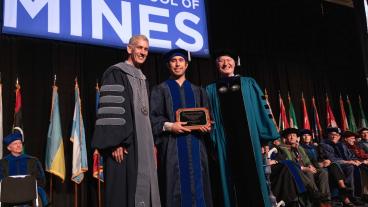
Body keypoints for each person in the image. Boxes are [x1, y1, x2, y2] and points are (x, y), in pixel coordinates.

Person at [91, 34, 161, 207]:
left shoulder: (143, 78)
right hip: (123, 146)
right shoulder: (115, 72)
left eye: (146, 49)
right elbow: (112, 110)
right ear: (129, 48)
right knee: (122, 192)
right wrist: (115, 143)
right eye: (139, 47)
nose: (143, 52)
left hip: (142, 145)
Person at [206, 49, 279, 207]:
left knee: (254, 180)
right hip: (225, 142)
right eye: (221, 61)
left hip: (250, 140)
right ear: (216, 65)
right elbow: (208, 117)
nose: (226, 63)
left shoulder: (248, 83)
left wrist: (264, 139)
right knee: (230, 179)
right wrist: (212, 139)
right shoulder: (210, 90)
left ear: (235, 62)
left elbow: (261, 109)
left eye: (229, 60)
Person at [150, 48, 213, 207]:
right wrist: (171, 126)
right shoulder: (160, 90)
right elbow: (152, 118)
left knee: (200, 188)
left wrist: (207, 126)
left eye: (181, 61)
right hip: (172, 147)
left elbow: (208, 118)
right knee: (174, 187)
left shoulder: (198, 91)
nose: (177, 64)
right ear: (168, 65)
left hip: (197, 146)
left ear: (186, 65)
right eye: (173, 61)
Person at [0, 131, 49, 206]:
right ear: (9, 148)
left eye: (20, 143)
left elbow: (41, 180)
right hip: (9, 194)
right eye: (15, 144)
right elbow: (1, 181)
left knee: (41, 193)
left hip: (29, 193)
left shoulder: (32, 161)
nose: (19, 145)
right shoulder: (3, 163)